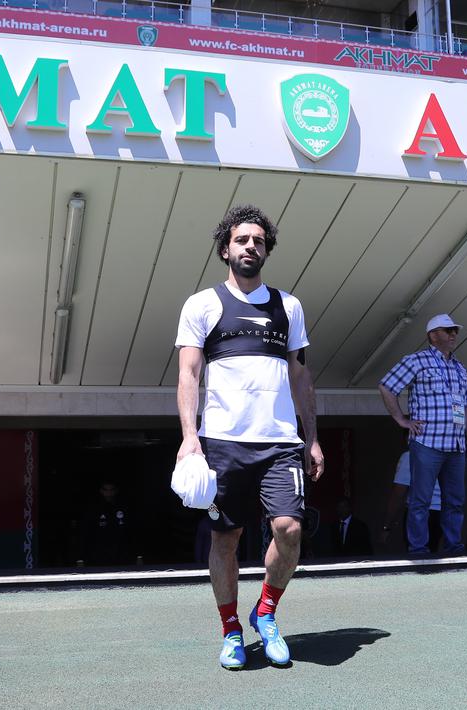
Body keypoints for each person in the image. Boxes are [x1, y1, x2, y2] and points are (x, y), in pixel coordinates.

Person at [175, 204, 325, 670]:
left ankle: (266, 613)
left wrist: (312, 438)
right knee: (226, 538)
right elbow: (188, 374)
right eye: (242, 240)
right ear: (226, 249)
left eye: (258, 241)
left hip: (280, 442)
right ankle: (231, 631)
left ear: (266, 250)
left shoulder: (290, 306)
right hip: (222, 443)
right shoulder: (201, 305)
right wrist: (189, 438)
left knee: (290, 530)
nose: (250, 247)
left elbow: (301, 377)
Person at [379, 313, 467, 556]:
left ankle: (454, 547)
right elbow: (386, 386)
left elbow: (465, 406)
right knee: (420, 500)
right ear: (432, 335)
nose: (453, 334)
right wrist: (401, 419)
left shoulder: (460, 367)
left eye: (455, 330)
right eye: (447, 330)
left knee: (455, 501)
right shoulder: (416, 360)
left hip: (456, 445)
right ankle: (419, 549)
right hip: (427, 442)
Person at [381, 451, 442, 549]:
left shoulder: (410, 455)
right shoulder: (442, 454)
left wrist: (387, 526)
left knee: (417, 557)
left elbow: (398, 493)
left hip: (418, 512)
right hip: (440, 512)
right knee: (432, 554)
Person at [77, 481, 141, 567]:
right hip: (99, 553)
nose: (109, 493)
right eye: (106, 490)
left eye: (111, 490)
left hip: (121, 552)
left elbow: (132, 531)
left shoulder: (123, 507)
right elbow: (86, 532)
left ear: (115, 491)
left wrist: (137, 554)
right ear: (101, 491)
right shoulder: (94, 508)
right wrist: (81, 556)